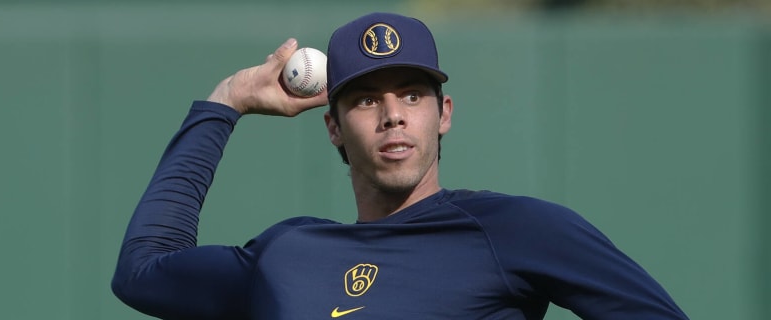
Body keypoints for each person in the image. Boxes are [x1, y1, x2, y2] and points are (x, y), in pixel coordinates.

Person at [112, 12, 688, 319]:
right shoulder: (286, 256)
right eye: (366, 99)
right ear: (333, 126)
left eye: (412, 94)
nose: (393, 115)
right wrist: (226, 102)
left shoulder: (515, 232)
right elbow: (142, 273)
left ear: (444, 115)